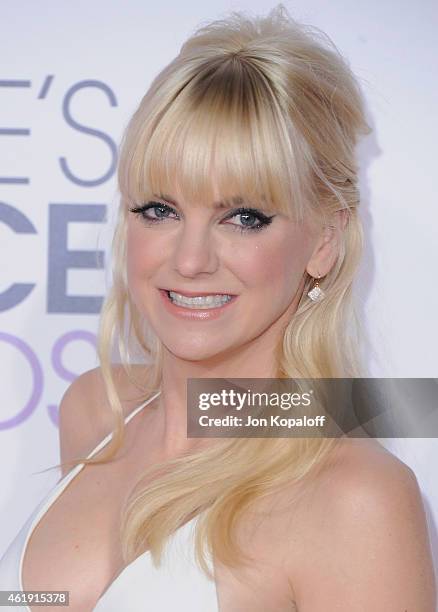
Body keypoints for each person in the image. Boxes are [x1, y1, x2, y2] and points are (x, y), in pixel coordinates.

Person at [0, 4, 436, 611]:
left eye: (245, 217)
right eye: (160, 209)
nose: (190, 259)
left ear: (325, 239)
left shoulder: (356, 498)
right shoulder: (98, 412)